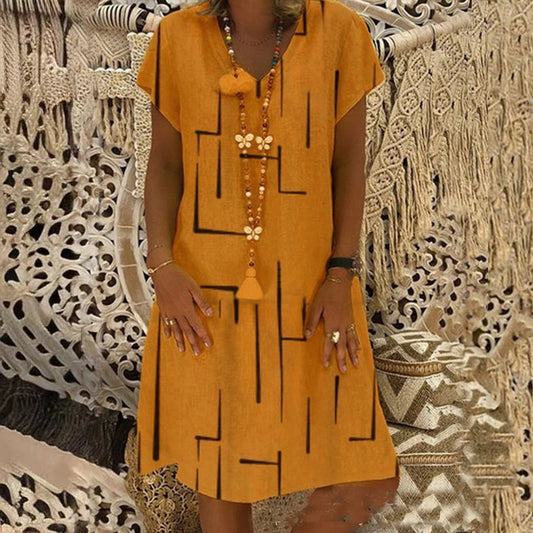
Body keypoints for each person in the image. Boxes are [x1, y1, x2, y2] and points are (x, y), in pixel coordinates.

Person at [135, 0, 401, 530]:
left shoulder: (340, 32)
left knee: (366, 474)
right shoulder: (177, 38)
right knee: (219, 467)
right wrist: (161, 266)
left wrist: (339, 274)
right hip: (204, 295)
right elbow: (164, 164)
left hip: (314, 292)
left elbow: (349, 165)